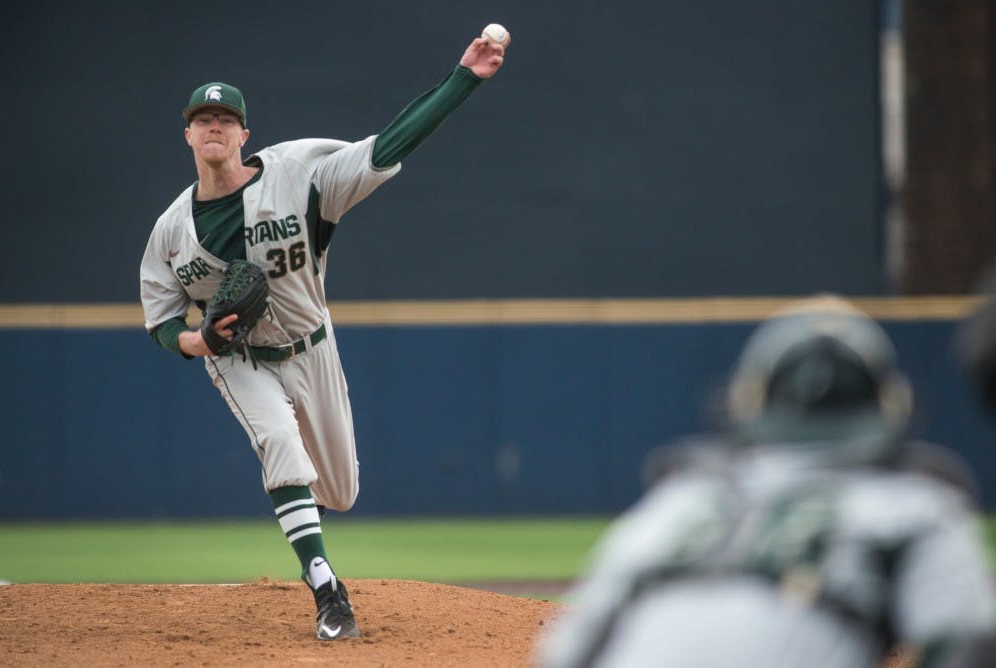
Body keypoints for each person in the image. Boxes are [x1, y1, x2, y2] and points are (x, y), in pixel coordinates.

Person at [139, 30, 509, 641]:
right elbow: (160, 319)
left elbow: (390, 145)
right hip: (239, 359)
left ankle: (318, 541)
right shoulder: (171, 231)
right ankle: (326, 589)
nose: (213, 127)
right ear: (187, 134)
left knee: (340, 490)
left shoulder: (300, 178)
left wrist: (464, 78)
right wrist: (197, 343)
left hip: (312, 346)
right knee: (280, 441)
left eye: (225, 118)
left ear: (243, 134)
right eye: (202, 118)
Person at [537, 295, 996, 668]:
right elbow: (972, 647)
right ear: (891, 405)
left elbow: (565, 655)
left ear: (748, 400)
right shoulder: (913, 504)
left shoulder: (680, 501)